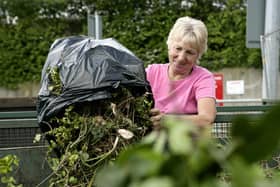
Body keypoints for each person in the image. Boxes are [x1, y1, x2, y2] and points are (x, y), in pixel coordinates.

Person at [146, 16, 216, 128]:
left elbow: (206, 119)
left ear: (198, 54)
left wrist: (168, 121)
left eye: (190, 52)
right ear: (169, 46)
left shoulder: (203, 78)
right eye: (178, 49)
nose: (181, 58)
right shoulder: (152, 72)